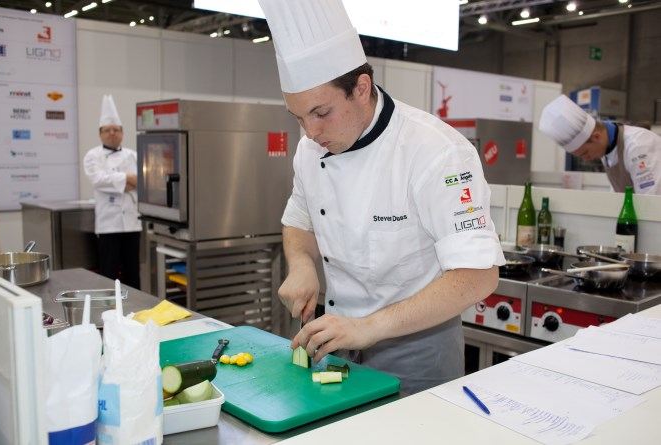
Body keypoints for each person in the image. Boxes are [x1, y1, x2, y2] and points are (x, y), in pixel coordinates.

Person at [258, 0, 504, 394]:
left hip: (418, 353)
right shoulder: (310, 151)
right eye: (298, 117)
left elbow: (478, 276)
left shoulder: (436, 151)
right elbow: (299, 220)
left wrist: (369, 327)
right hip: (338, 341)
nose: (310, 132)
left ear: (361, 88)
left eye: (321, 113)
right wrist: (301, 264)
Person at [539, 95, 661, 194]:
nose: (586, 159)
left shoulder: (638, 145)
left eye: (585, 153)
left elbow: (651, 200)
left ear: (596, 137)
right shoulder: (606, 148)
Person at [83, 94, 142, 289]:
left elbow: (143, 181)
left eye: (116, 129)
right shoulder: (92, 156)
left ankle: (136, 306)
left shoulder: (134, 155)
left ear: (122, 133)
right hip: (108, 224)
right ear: (100, 134)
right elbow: (98, 179)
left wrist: (119, 180)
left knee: (133, 272)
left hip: (132, 224)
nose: (112, 133)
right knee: (108, 273)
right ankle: (109, 306)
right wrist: (128, 179)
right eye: (107, 130)